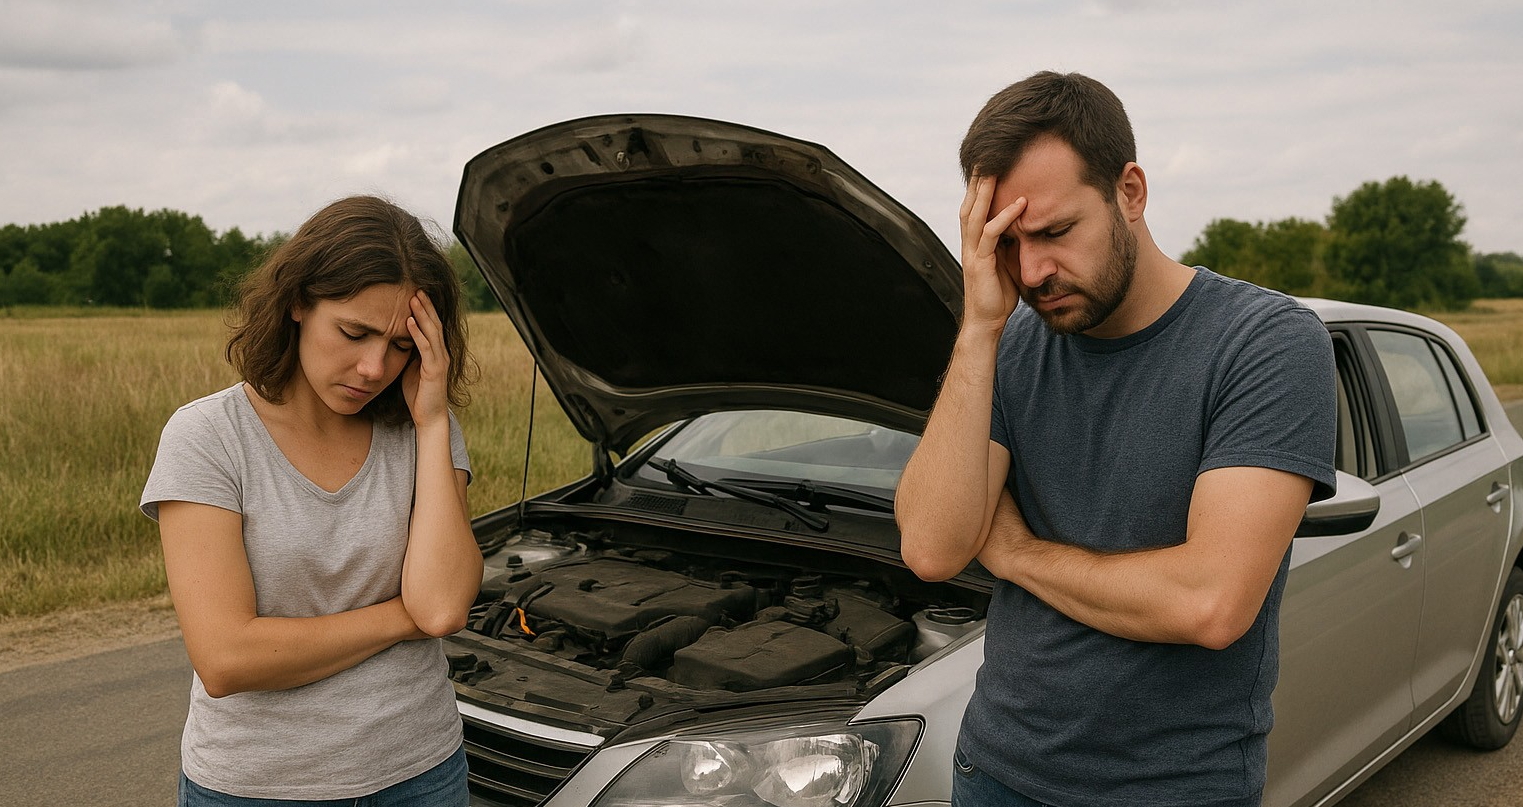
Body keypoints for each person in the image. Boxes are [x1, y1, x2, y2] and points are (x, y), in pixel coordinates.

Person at [895, 72, 1337, 807]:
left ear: (1128, 192)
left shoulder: (1264, 342)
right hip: (993, 767)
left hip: (1169, 788)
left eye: (1054, 232)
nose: (1032, 270)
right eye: (1006, 243)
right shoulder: (1009, 342)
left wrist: (1011, 549)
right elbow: (934, 547)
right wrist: (977, 326)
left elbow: (1210, 603)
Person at [140, 195, 482, 806]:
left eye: (401, 345)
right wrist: (402, 617)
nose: (374, 367)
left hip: (422, 773)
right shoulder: (209, 437)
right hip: (256, 788)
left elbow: (446, 603)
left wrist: (431, 422)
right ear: (298, 301)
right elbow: (226, 658)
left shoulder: (425, 432)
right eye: (353, 332)